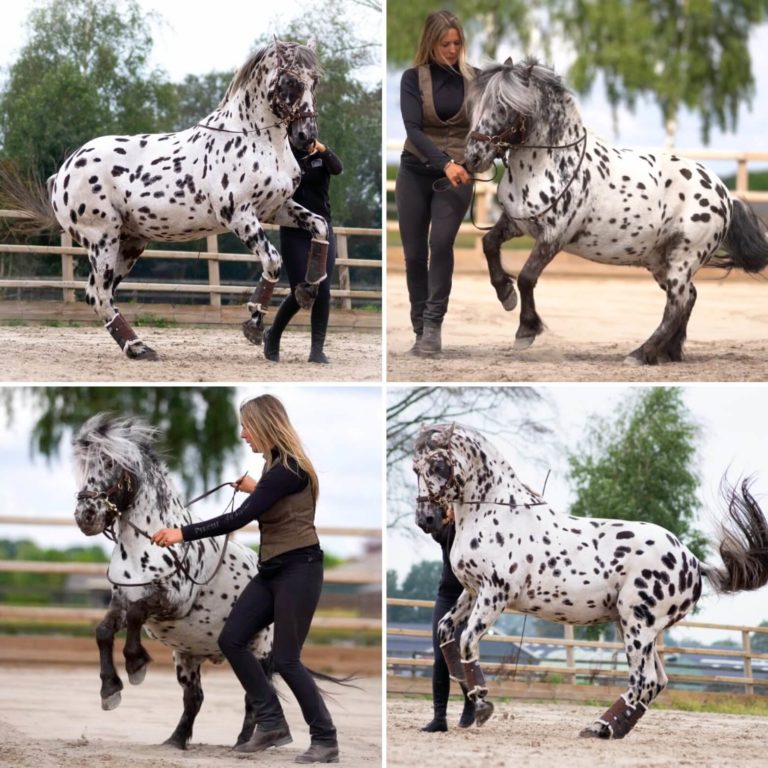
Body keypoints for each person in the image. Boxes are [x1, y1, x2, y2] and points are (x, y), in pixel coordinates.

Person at [151, 394, 339, 764]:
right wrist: (258, 488)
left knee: (287, 660)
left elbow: (237, 520)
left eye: (247, 427)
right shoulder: (276, 468)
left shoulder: (289, 468)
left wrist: (181, 533)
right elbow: (274, 500)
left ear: (266, 426)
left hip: (299, 571)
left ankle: (326, 739)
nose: (242, 435)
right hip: (271, 570)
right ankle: (271, 723)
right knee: (232, 639)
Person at [396, 10, 475, 358]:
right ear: (431, 43)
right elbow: (412, 128)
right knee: (414, 256)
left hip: (458, 176)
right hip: (415, 171)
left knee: (440, 244)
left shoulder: (475, 81)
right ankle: (418, 329)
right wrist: (444, 164)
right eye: (445, 43)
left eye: (457, 43)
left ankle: (433, 327)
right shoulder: (412, 78)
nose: (452, 49)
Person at [265, 140, 343, 364]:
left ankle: (317, 349)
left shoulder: (320, 157)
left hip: (321, 229)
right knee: (302, 290)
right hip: (294, 229)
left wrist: (323, 149)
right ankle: (273, 336)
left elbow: (338, 168)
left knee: (323, 289)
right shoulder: (284, 159)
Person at [423, 513, 475, 732]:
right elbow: (429, 526)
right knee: (440, 656)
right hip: (446, 596)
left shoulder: (476, 524)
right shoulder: (445, 529)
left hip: (471, 597)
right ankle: (439, 717)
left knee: (463, 654)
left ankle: (470, 703)